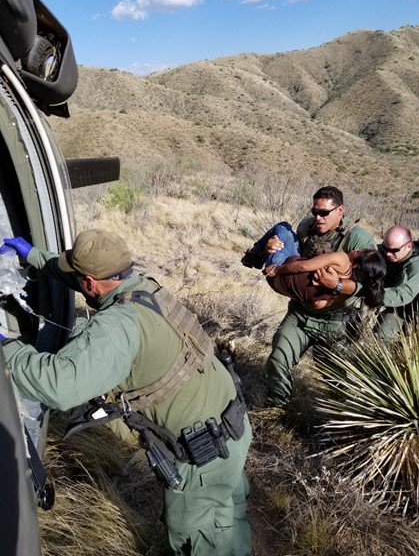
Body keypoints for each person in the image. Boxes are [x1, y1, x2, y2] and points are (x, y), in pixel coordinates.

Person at [0, 230, 252, 556]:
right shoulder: (144, 287)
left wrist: (8, 350)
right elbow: (87, 281)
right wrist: (34, 255)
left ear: (91, 281)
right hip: (234, 426)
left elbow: (60, 386)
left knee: (203, 541)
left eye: (80, 278)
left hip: (202, 460)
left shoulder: (118, 327)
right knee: (231, 520)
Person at [244, 186, 376, 408]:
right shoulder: (306, 228)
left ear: (340, 210)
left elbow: (371, 283)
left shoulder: (357, 238)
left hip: (337, 322)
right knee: (278, 360)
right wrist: (271, 248)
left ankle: (342, 419)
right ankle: (278, 408)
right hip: (301, 314)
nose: (318, 217)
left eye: (324, 213)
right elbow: (293, 258)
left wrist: (338, 285)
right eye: (315, 211)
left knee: (337, 379)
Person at [314, 225, 419, 342]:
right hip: (392, 302)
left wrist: (357, 289)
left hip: (416, 305)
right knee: (381, 337)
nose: (387, 254)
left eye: (394, 251)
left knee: (416, 343)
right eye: (385, 248)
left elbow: (402, 295)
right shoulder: (381, 251)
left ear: (409, 246)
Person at [263, 248, 386, 310]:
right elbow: (318, 305)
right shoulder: (340, 295)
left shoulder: (342, 259)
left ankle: (253, 255)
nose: (356, 249)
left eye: (361, 251)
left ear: (356, 264)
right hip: (278, 286)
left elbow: (302, 266)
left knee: (283, 228)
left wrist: (277, 269)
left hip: (276, 268)